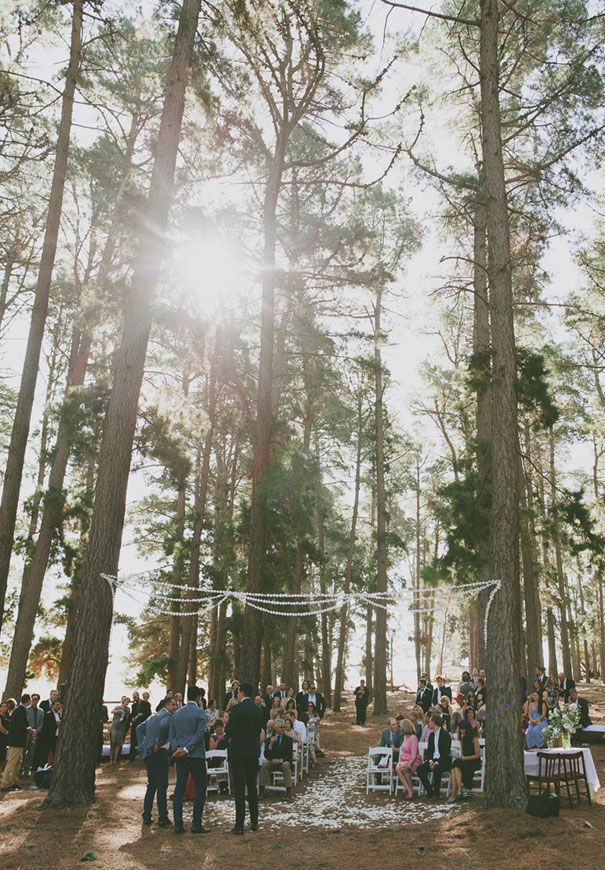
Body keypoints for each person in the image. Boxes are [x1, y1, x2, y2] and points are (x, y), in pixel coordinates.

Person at [225, 681, 265, 834]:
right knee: (252, 786)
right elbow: (258, 729)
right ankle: (254, 821)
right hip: (253, 751)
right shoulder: (257, 709)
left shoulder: (237, 708)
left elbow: (230, 729)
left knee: (240, 788)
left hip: (239, 753)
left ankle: (239, 825)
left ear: (241, 692)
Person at [169, 685, 209, 834]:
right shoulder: (199, 712)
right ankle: (196, 824)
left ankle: (178, 824)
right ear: (198, 697)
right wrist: (186, 749)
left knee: (179, 788)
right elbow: (199, 734)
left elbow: (171, 734)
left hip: (180, 757)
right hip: (196, 755)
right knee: (200, 787)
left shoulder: (177, 714)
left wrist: (177, 748)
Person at [137, 696, 177, 827]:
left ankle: (146, 815)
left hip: (149, 754)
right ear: (166, 705)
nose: (175, 707)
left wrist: (143, 745)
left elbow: (139, 728)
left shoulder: (153, 716)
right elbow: (163, 726)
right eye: (173, 705)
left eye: (176, 705)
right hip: (159, 753)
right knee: (161, 786)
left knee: (152, 785)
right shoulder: (167, 717)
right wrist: (158, 743)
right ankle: (162, 817)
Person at [416, 713, 452, 799]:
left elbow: (446, 753)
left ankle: (437, 793)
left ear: (434, 723)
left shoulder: (445, 735)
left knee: (437, 769)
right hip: (433, 760)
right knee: (420, 769)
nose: (429, 723)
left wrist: (436, 762)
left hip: (444, 760)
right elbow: (429, 751)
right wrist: (431, 761)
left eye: (430, 722)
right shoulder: (432, 735)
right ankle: (429, 791)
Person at [1, 694, 30, 791]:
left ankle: (13, 781)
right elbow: (21, 726)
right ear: (28, 701)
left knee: (18, 761)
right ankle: (5, 783)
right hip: (17, 741)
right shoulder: (21, 711)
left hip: (18, 741)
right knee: (12, 761)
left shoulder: (18, 710)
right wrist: (29, 729)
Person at [259, 718, 293, 800]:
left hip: (282, 762)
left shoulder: (288, 740)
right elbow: (266, 754)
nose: (283, 729)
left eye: (284, 727)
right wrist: (270, 745)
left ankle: (288, 792)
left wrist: (281, 760)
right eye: (281, 727)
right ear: (276, 728)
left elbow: (289, 755)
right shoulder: (269, 739)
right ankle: (261, 792)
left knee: (286, 765)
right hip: (272, 762)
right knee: (264, 764)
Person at [449, 721, 480, 802]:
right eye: (461, 730)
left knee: (456, 765)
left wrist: (465, 758)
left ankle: (456, 792)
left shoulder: (474, 739)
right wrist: (462, 757)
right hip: (465, 760)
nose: (462, 731)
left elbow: (477, 755)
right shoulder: (462, 739)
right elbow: (462, 753)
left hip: (473, 761)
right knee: (454, 766)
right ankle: (457, 791)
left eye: (463, 729)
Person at [395, 719, 421, 799]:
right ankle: (409, 790)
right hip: (404, 760)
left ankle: (410, 791)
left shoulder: (413, 738)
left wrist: (409, 765)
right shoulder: (405, 737)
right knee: (397, 768)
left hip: (413, 760)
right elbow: (403, 749)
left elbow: (414, 755)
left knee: (404, 768)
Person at [20, 692, 44, 777]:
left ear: (38, 700)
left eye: (36, 699)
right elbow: (25, 721)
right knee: (23, 753)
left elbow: (41, 723)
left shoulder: (41, 711)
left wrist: (37, 731)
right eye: (33, 699)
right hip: (27, 734)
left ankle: (26, 772)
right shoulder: (26, 709)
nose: (34, 701)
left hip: (35, 735)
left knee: (31, 754)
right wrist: (30, 730)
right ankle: (20, 771)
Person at [109, 697, 130, 763]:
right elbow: (112, 711)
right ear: (123, 701)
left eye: (128, 702)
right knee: (113, 742)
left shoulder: (127, 709)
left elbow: (127, 718)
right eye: (126, 701)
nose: (127, 703)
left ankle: (115, 758)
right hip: (115, 726)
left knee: (119, 743)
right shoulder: (118, 707)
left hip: (122, 727)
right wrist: (119, 711)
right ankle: (110, 759)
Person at [0, 700, 10, 775]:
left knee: (4, 757)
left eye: (6, 706)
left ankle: (1, 772)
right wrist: (7, 733)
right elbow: (0, 727)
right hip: (1, 737)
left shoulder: (9, 717)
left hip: (6, 740)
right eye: (2, 706)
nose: (4, 708)